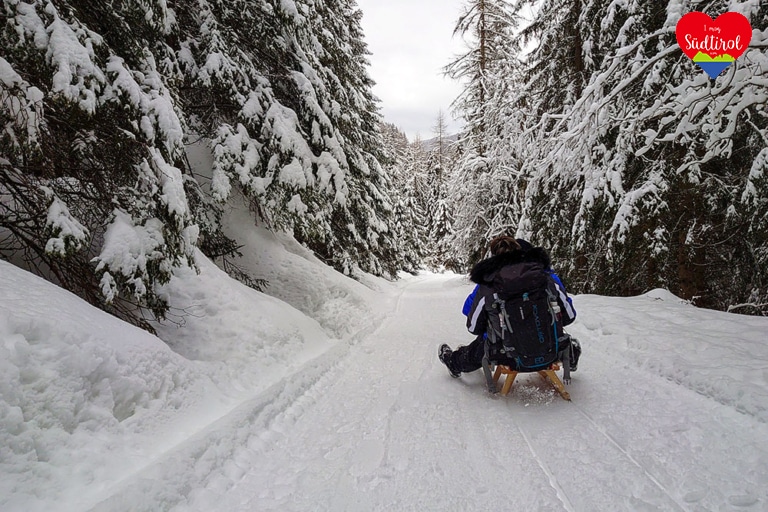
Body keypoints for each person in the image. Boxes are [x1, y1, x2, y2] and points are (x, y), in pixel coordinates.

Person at [439, 236, 580, 378]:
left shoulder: (488, 285)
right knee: (561, 336)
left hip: (505, 355)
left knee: (483, 343)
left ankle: (454, 363)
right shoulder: (547, 278)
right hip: (550, 348)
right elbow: (569, 316)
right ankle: (571, 354)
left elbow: (473, 327)